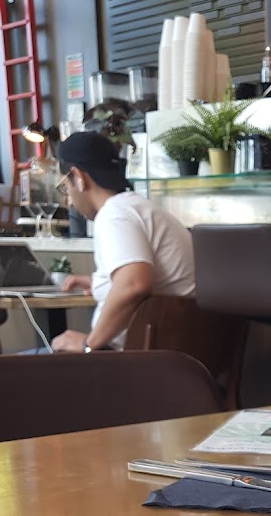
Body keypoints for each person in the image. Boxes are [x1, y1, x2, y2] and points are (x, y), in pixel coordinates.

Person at [51, 131, 195, 352]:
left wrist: (87, 345)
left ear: (78, 177)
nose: (69, 201)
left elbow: (134, 285)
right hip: (170, 357)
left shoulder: (114, 214)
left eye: (65, 187)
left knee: (13, 367)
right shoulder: (139, 208)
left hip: (128, 364)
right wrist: (100, 283)